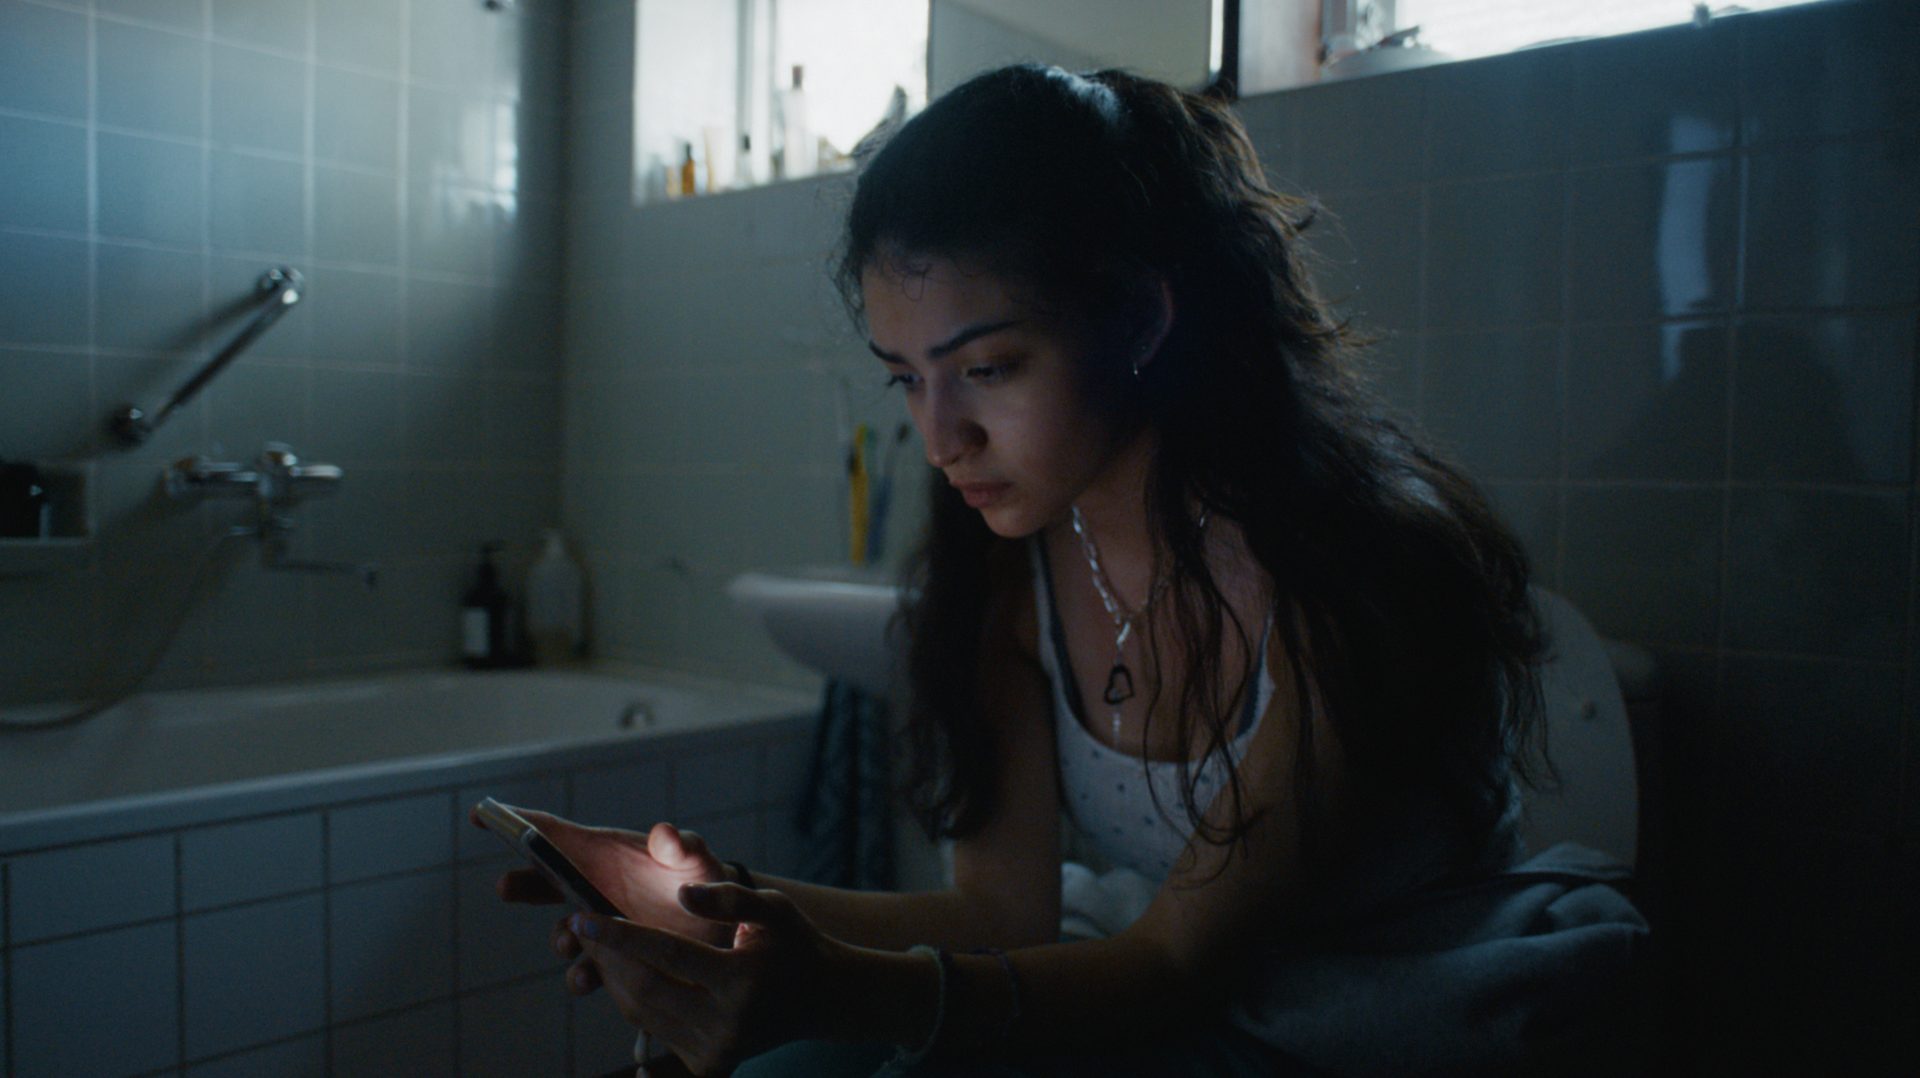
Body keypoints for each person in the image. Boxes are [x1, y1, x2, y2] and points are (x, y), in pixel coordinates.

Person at [476, 64, 1647, 1076]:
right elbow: (1000, 910)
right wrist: (715, 905)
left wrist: (827, 985)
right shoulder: (1013, 562)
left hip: (1388, 1016)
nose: (940, 437)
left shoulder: (1366, 563)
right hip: (1166, 988)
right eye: (905, 378)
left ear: (1138, 318)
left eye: (987, 366)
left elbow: (1179, 963)